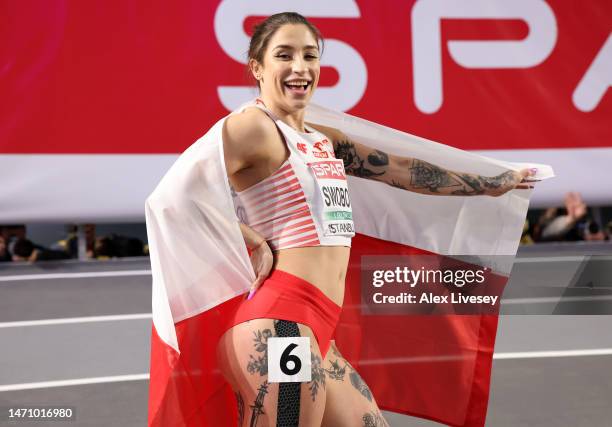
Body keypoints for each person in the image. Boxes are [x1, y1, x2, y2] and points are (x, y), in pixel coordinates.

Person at [213, 12, 536, 427]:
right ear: (257, 67)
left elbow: (402, 170)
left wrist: (492, 183)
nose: (300, 67)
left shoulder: (319, 140)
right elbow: (180, 196)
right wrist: (250, 239)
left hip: (315, 333)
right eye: (284, 55)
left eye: (310, 55)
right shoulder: (252, 127)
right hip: (281, 328)